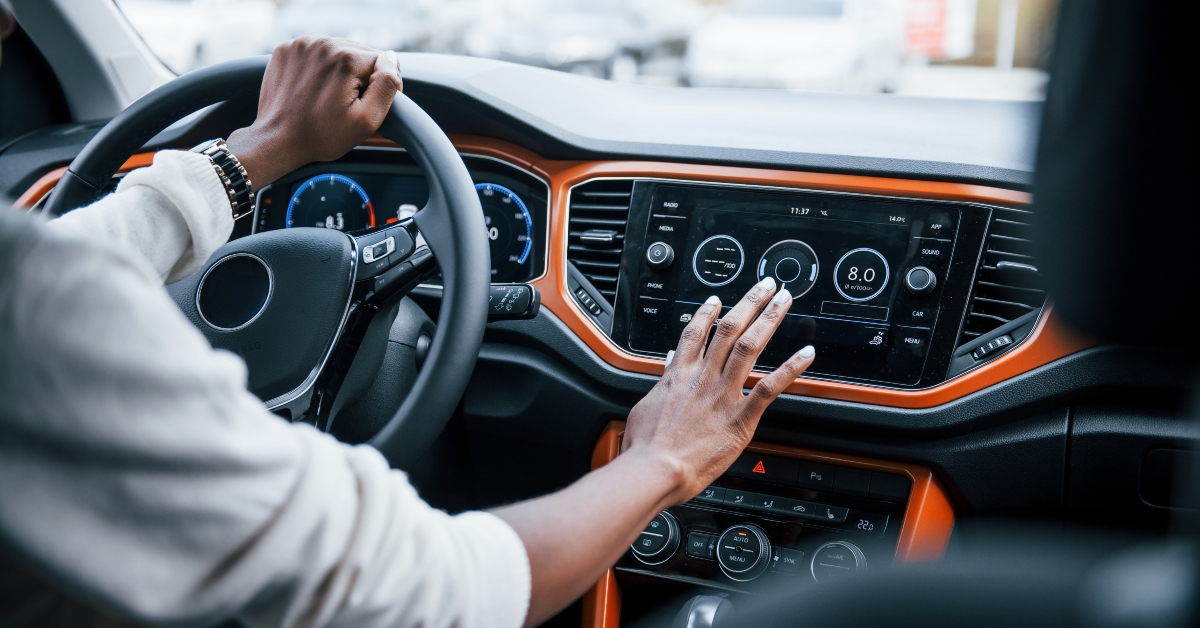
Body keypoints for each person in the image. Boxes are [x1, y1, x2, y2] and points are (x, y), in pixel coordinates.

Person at [0, 36, 816, 628]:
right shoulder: (41, 308)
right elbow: (442, 591)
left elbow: (67, 256)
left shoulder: (38, 288)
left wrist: (254, 152)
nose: (11, 29)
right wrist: (662, 461)